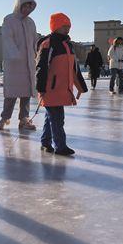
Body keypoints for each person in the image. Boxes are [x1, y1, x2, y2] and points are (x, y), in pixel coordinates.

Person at [36, 13, 88, 156]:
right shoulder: (48, 44)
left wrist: (81, 87)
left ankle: (45, 142)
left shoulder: (68, 45)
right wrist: (41, 87)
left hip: (62, 89)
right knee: (57, 118)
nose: (67, 29)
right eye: (64, 26)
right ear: (55, 26)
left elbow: (74, 69)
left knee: (51, 117)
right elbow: (41, 67)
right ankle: (60, 146)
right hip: (49, 89)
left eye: (68, 26)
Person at [0, 0, 39, 131]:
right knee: (12, 93)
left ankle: (24, 119)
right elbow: (7, 38)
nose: (27, 9)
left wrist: (37, 53)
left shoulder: (31, 22)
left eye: (29, 6)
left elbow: (35, 40)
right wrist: (14, 54)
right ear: (19, 5)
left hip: (28, 63)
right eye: (24, 6)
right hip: (14, 63)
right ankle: (4, 117)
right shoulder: (9, 20)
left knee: (26, 93)